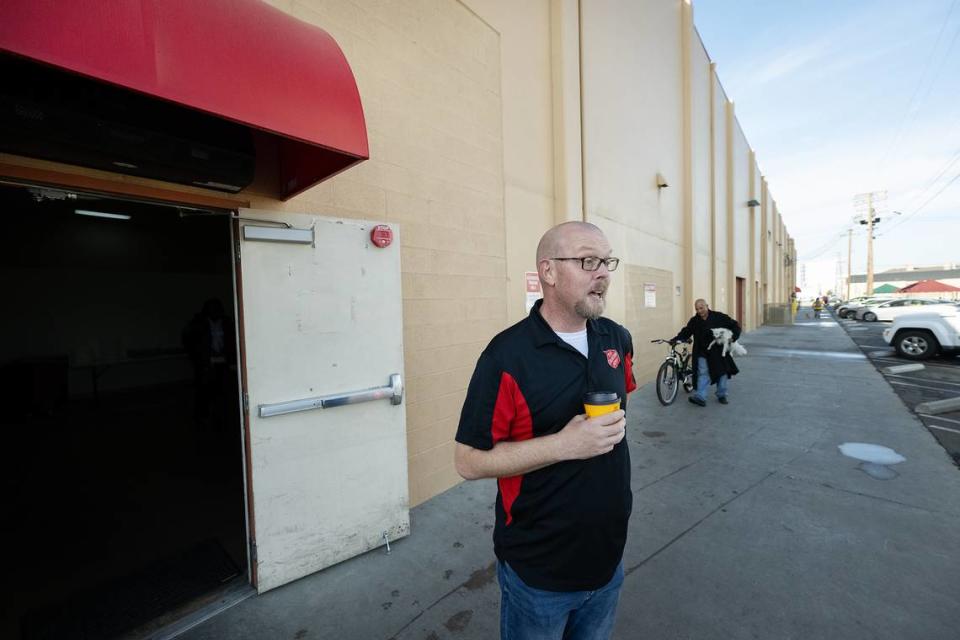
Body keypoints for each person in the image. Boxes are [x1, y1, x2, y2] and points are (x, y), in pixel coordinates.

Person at [454, 222, 637, 640]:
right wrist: (563, 445)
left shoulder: (617, 339)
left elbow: (624, 403)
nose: (603, 273)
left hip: (608, 559)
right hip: (539, 573)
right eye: (588, 261)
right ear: (548, 273)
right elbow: (467, 462)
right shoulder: (507, 357)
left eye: (607, 262)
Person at [671, 299, 741, 407]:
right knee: (703, 373)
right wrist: (676, 339)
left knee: (722, 374)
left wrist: (733, 337)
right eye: (697, 309)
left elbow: (735, 325)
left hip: (717, 352)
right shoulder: (695, 321)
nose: (699, 311)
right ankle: (701, 397)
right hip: (701, 352)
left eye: (701, 308)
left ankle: (721, 394)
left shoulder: (719, 317)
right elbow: (686, 331)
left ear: (707, 306)